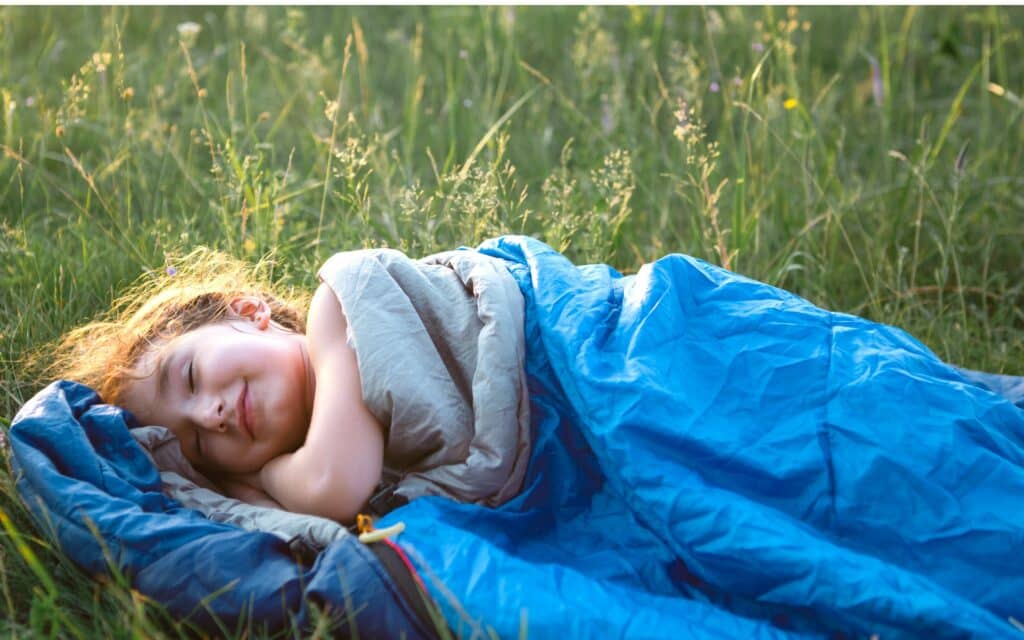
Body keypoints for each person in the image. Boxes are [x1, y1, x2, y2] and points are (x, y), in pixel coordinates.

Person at [49, 248, 386, 523]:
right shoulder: (347, 462)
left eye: (191, 377)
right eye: (198, 443)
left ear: (249, 311)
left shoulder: (336, 308)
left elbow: (331, 488)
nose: (211, 417)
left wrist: (265, 477)